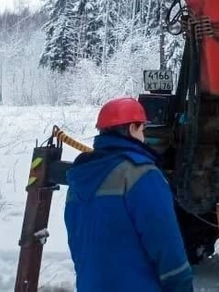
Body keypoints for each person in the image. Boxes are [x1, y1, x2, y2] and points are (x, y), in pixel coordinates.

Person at [65, 97, 193, 291]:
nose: (143, 135)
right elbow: (165, 241)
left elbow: (77, 245)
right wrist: (181, 284)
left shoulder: (79, 177)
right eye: (142, 128)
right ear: (132, 129)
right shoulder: (141, 173)